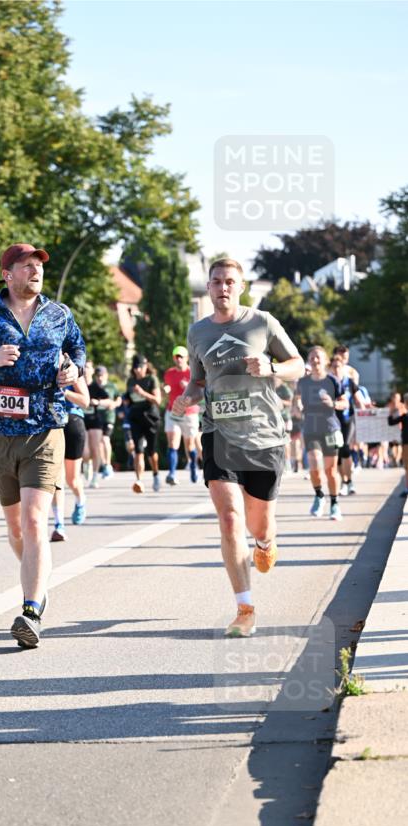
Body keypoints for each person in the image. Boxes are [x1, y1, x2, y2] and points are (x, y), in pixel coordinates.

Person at [0, 242, 85, 648]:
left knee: (33, 520)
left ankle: (30, 610)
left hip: (46, 427)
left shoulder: (60, 314)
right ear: (7, 275)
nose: (35, 272)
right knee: (15, 527)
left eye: (38, 266)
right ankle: (37, 578)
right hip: (0, 433)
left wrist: (75, 368)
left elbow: (79, 349)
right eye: (26, 267)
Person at [173, 257, 304, 638]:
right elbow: (199, 382)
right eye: (216, 282)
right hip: (219, 431)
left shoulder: (262, 322)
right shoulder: (197, 332)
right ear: (209, 287)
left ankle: (265, 541)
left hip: (263, 435)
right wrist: (186, 397)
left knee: (258, 521)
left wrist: (272, 369)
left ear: (241, 286)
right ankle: (245, 608)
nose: (223, 288)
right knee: (230, 517)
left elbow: (295, 362)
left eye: (230, 281)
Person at [294, 346, 350, 521]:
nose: (315, 360)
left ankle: (334, 504)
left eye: (318, 357)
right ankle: (319, 495)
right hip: (311, 428)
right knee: (314, 465)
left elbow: (344, 403)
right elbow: (295, 402)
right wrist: (297, 408)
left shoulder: (332, 380)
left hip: (330, 428)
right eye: (312, 357)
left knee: (330, 470)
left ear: (325, 361)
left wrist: (333, 403)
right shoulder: (302, 382)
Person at [50, 374, 90, 540]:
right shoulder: (42, 363)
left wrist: (64, 392)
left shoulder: (73, 370)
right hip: (51, 424)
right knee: (56, 479)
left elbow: (85, 401)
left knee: (72, 480)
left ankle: (80, 500)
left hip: (73, 422)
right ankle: (59, 524)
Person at [162, 345, 201, 485]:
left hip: (190, 412)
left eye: (181, 357)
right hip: (173, 411)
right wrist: (164, 389)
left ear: (187, 358)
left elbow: (200, 391)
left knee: (190, 445)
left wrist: (188, 387)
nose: (178, 359)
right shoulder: (169, 373)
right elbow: (165, 388)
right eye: (176, 356)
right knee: (173, 442)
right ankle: (172, 474)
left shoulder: (193, 373)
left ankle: (193, 466)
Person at [329, 351, 365, 495]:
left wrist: (366, 410)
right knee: (336, 451)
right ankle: (344, 481)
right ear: (331, 368)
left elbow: (358, 400)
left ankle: (349, 481)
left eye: (339, 366)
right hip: (331, 422)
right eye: (334, 367)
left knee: (345, 448)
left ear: (343, 367)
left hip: (347, 420)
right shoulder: (328, 382)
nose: (337, 369)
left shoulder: (349, 382)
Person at [127, 354, 162, 494]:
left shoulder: (151, 379)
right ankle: (139, 480)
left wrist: (142, 393)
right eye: (136, 367)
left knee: (151, 452)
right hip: (136, 418)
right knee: (138, 450)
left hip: (151, 418)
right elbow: (129, 399)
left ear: (146, 366)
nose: (138, 370)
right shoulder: (130, 381)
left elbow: (158, 400)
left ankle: (155, 474)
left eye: (140, 367)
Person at [88, 365, 120, 481]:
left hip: (108, 417)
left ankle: (108, 465)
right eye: (98, 376)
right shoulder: (93, 386)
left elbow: (119, 398)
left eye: (102, 375)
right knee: (99, 443)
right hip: (97, 417)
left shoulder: (112, 386)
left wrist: (114, 404)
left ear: (106, 375)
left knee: (105, 439)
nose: (100, 378)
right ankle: (104, 464)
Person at [388, 393, 408, 497]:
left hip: (406, 443)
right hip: (405, 443)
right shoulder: (404, 416)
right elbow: (391, 422)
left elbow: (391, 422)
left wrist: (391, 413)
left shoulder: (404, 415)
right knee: (407, 466)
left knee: (407, 466)